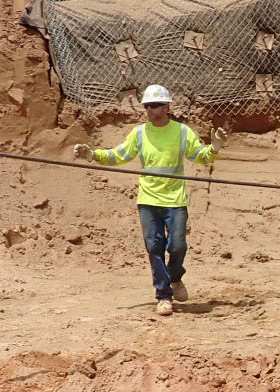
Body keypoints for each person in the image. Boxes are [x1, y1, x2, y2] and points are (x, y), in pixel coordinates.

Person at [73, 85, 225, 317]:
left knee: (177, 246)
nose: (149, 110)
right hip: (148, 200)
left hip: (174, 200)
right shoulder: (140, 134)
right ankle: (163, 296)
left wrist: (215, 147)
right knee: (154, 247)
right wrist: (93, 155)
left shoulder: (182, 132)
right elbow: (119, 155)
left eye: (154, 105)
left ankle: (175, 277)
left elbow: (200, 156)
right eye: (146, 106)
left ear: (166, 107)